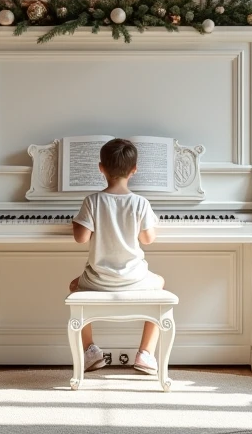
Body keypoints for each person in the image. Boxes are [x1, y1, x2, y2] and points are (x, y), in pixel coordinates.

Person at [70, 138, 164, 375]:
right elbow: (147, 239)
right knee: (160, 285)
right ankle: (145, 353)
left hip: (97, 280)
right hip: (134, 280)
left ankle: (90, 351)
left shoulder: (92, 201)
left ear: (101, 168)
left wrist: (76, 222)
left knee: (76, 286)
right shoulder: (140, 203)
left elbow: (81, 238)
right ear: (134, 170)